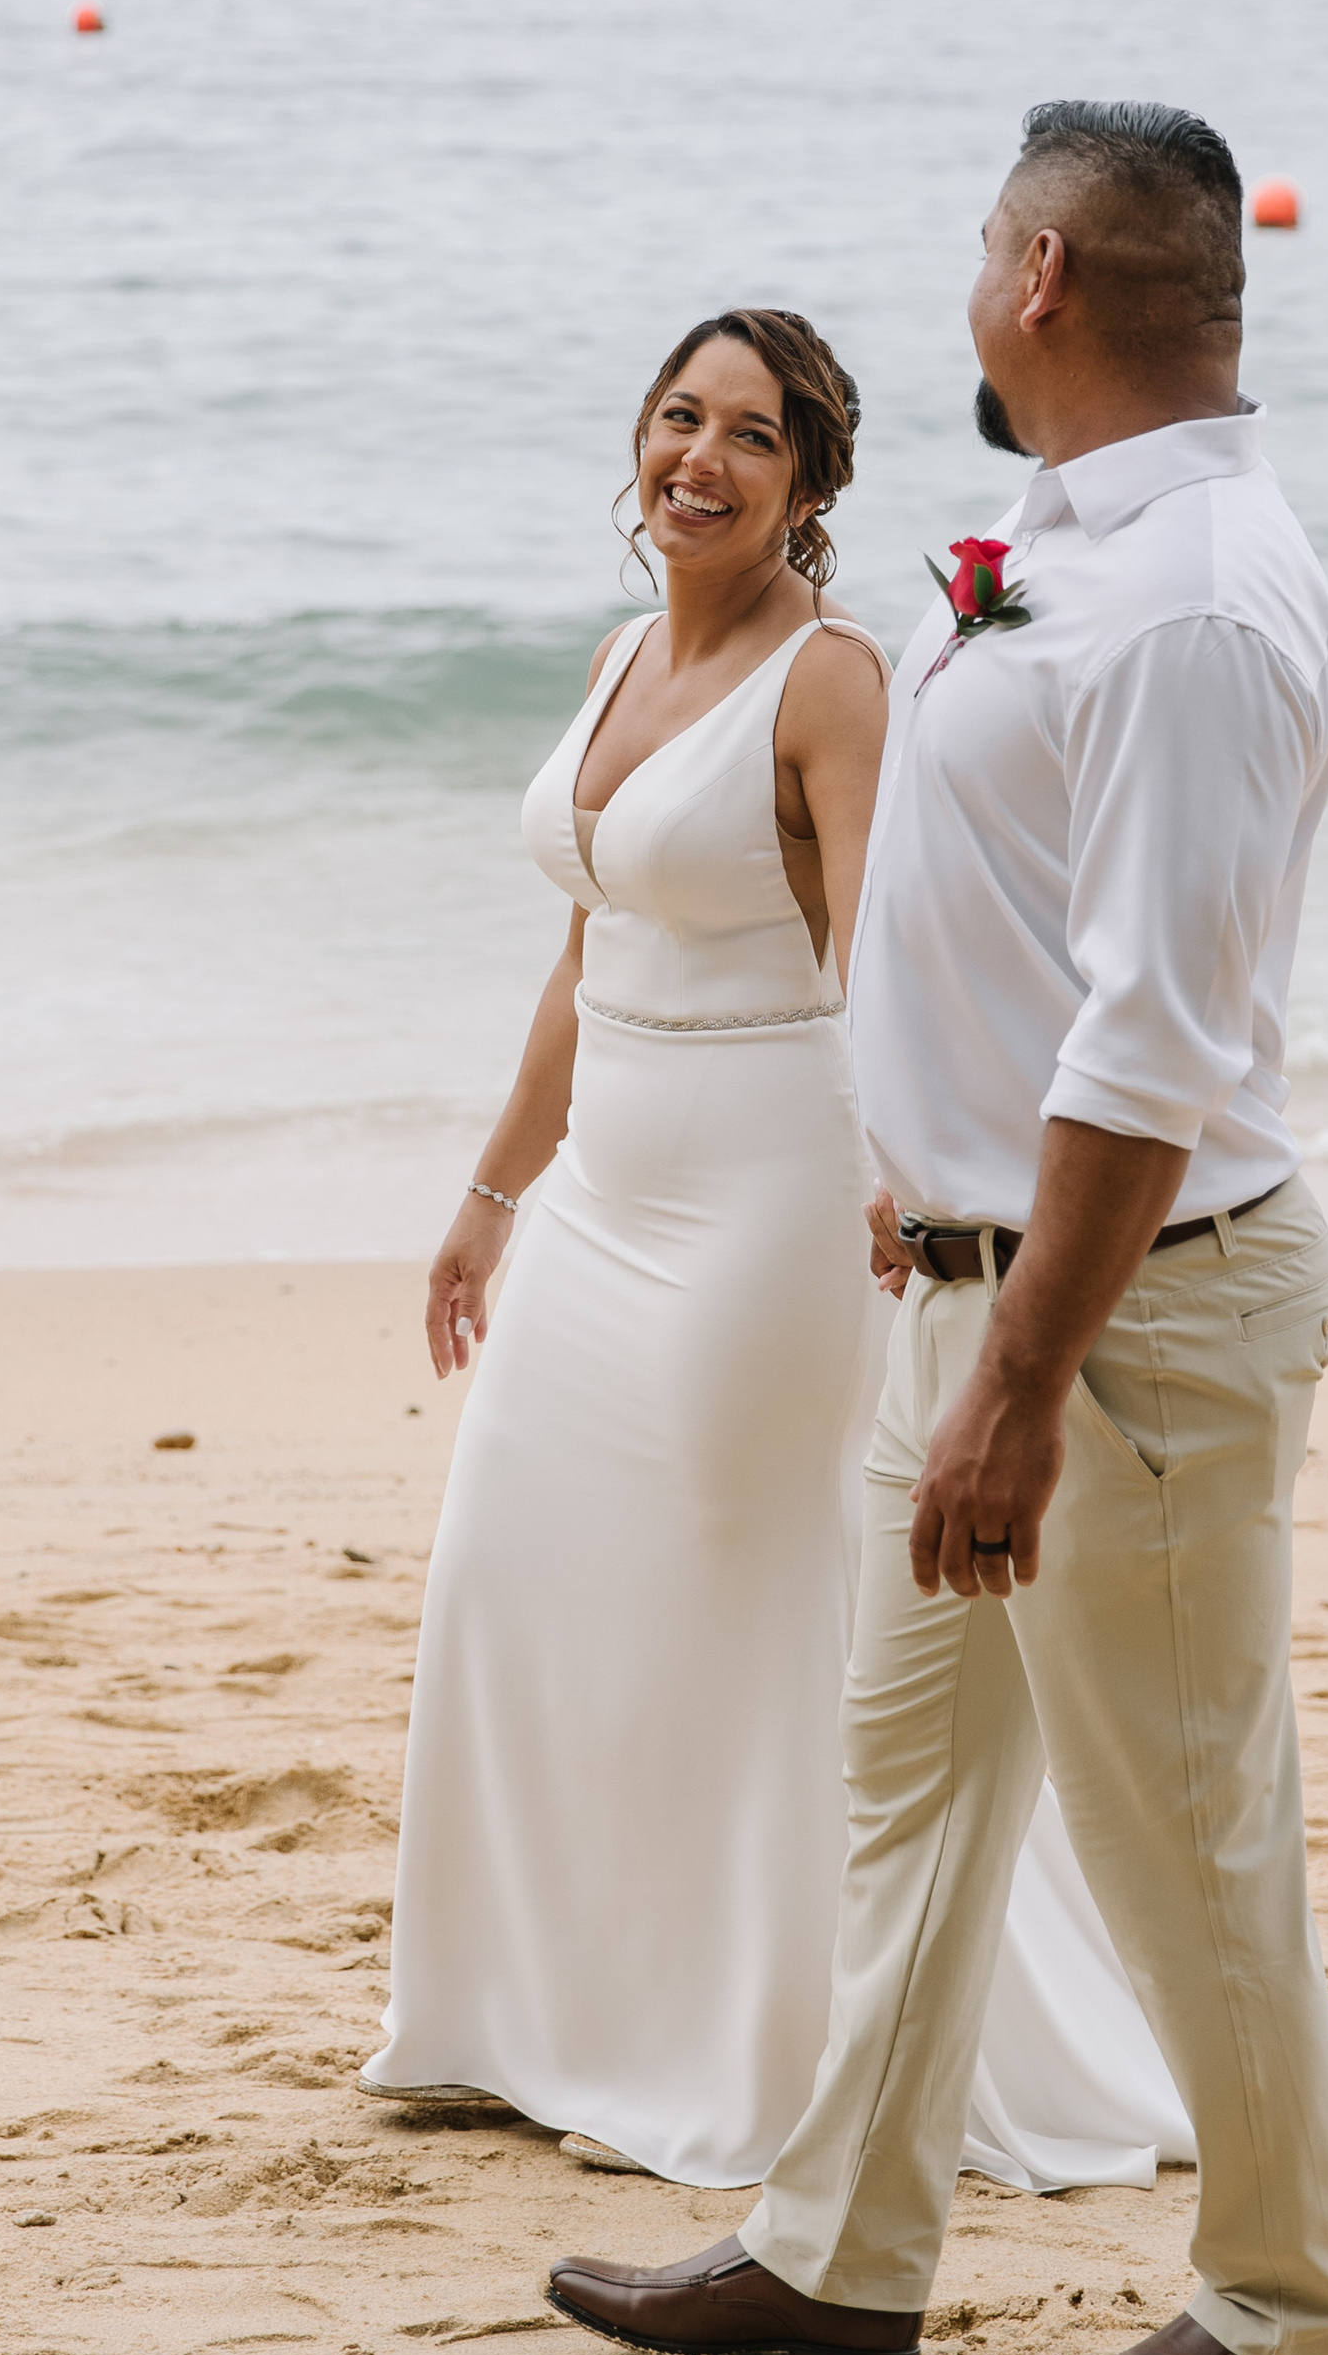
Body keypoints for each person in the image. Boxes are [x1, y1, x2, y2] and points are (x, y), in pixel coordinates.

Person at [544, 103, 1328, 2355]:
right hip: (963, 1285)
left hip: (1120, 1323)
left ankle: (1288, 2302)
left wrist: (1017, 1377)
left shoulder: (1191, 599)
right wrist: (915, 1192)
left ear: (1035, 275)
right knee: (910, 1783)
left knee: (1183, 1823)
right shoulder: (1060, 539)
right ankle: (837, 2255)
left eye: (974, 244)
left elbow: (1154, 1035)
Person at [360, 302, 1208, 2192]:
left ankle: (742, 2054)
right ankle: (514, 2016)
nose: (704, 460)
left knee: (738, 1610)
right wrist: (491, 1197)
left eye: (753, 436)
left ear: (812, 483)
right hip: (600, 1202)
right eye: (682, 418)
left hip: (765, 1201)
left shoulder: (832, 682)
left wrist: (907, 1172)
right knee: (513, 1571)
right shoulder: (617, 656)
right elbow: (586, 955)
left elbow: (879, 952)